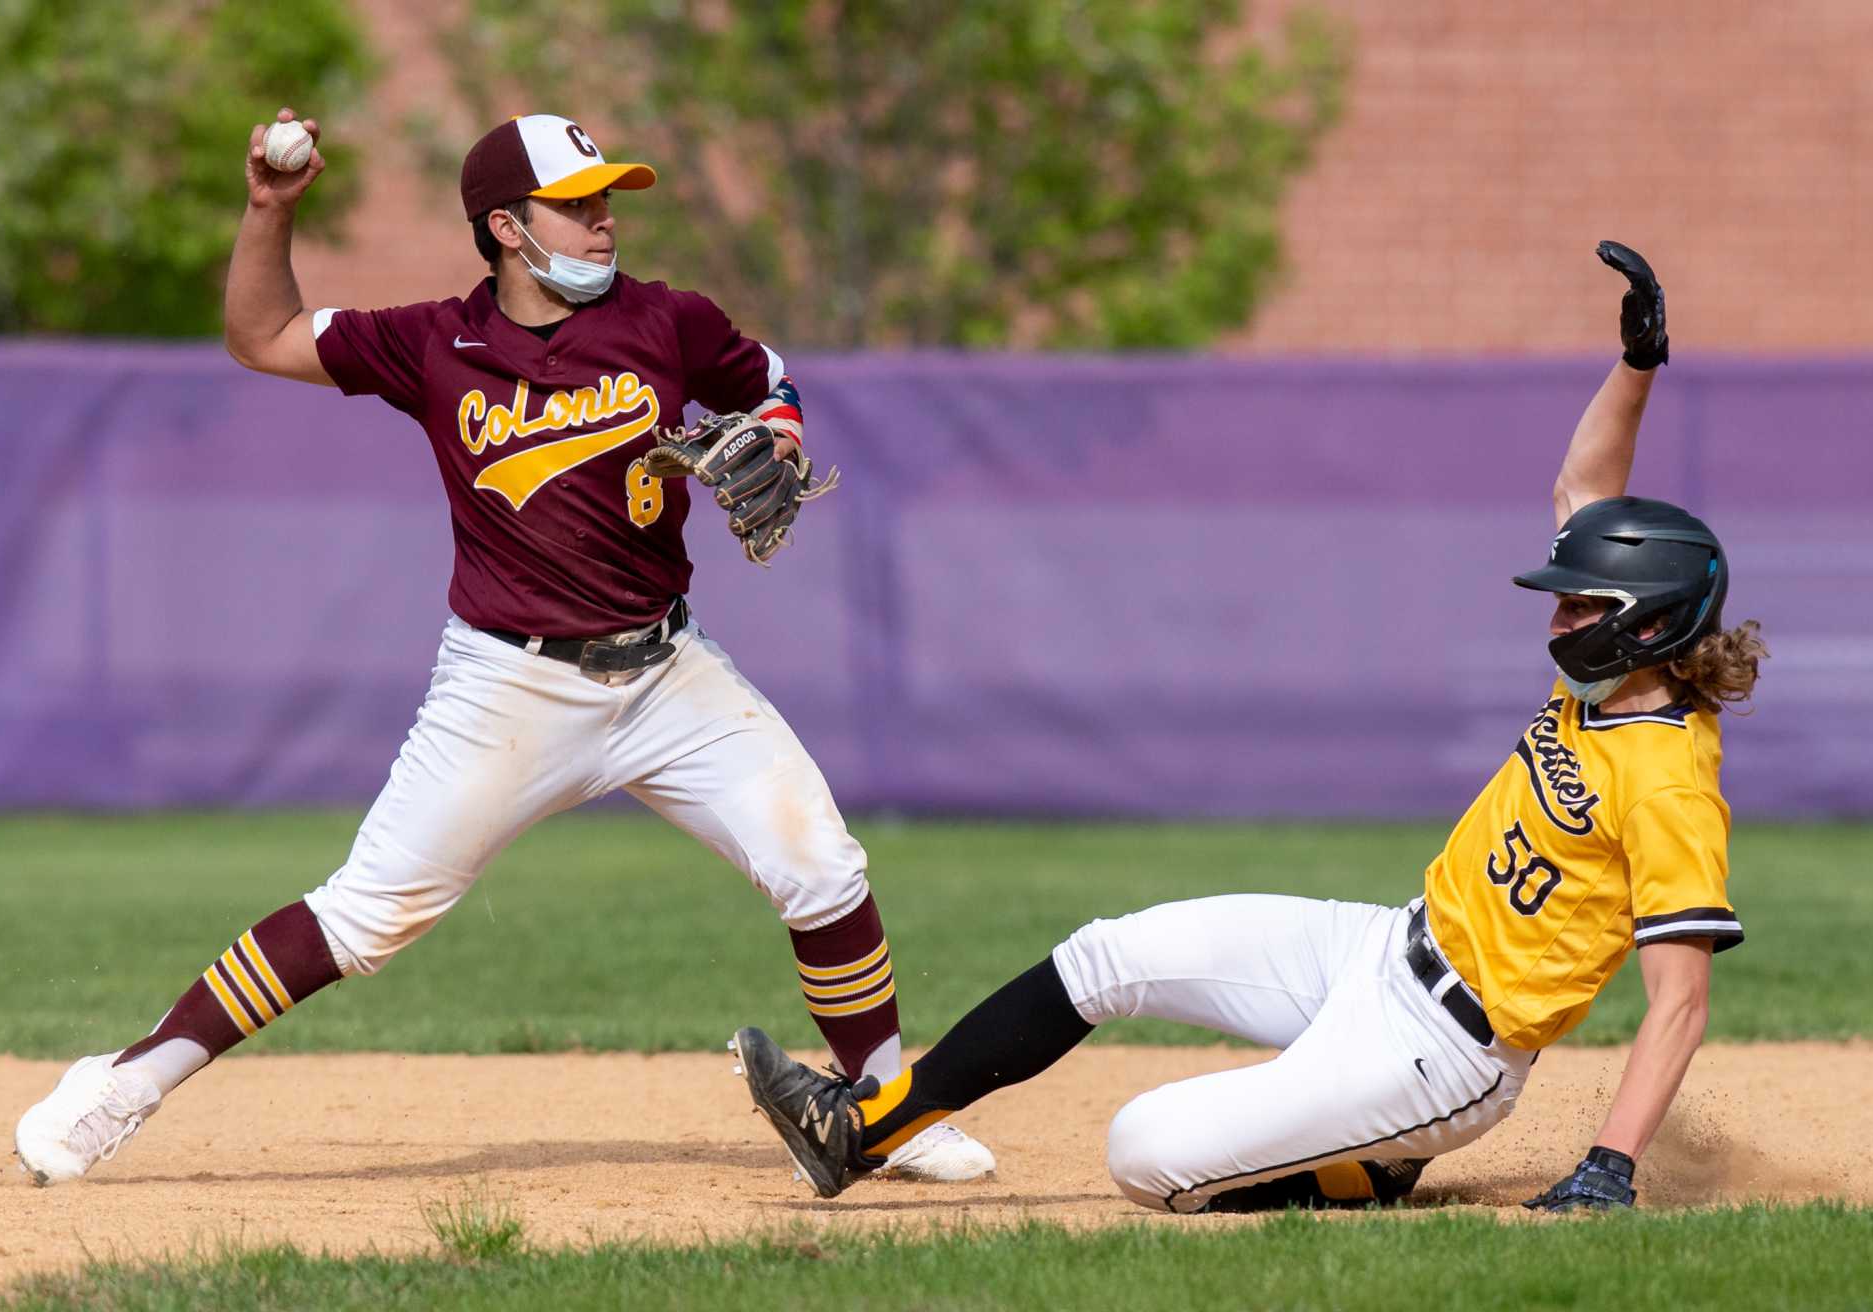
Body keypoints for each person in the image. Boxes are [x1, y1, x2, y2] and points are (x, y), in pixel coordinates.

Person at [12, 108, 992, 1186]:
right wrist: (268, 209)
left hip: (669, 670)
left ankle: (888, 1113)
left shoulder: (669, 320)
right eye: (575, 206)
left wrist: (782, 427)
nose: (603, 222)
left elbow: (768, 378)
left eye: (607, 199)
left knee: (821, 864)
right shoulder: (434, 341)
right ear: (506, 228)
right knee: (366, 918)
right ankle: (122, 1081)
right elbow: (263, 336)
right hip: (508, 682)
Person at [730, 242, 1766, 1214]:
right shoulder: (1602, 690)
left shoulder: (1667, 780)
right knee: (1102, 956)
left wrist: (1607, 1165)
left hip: (1448, 1054)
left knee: (1144, 1151)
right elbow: (1581, 490)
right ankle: (857, 1132)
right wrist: (1636, 363)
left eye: (1581, 605)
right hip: (1383, 943)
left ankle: (1373, 1165)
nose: (1556, 612)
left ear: (1648, 623)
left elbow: (1677, 999)